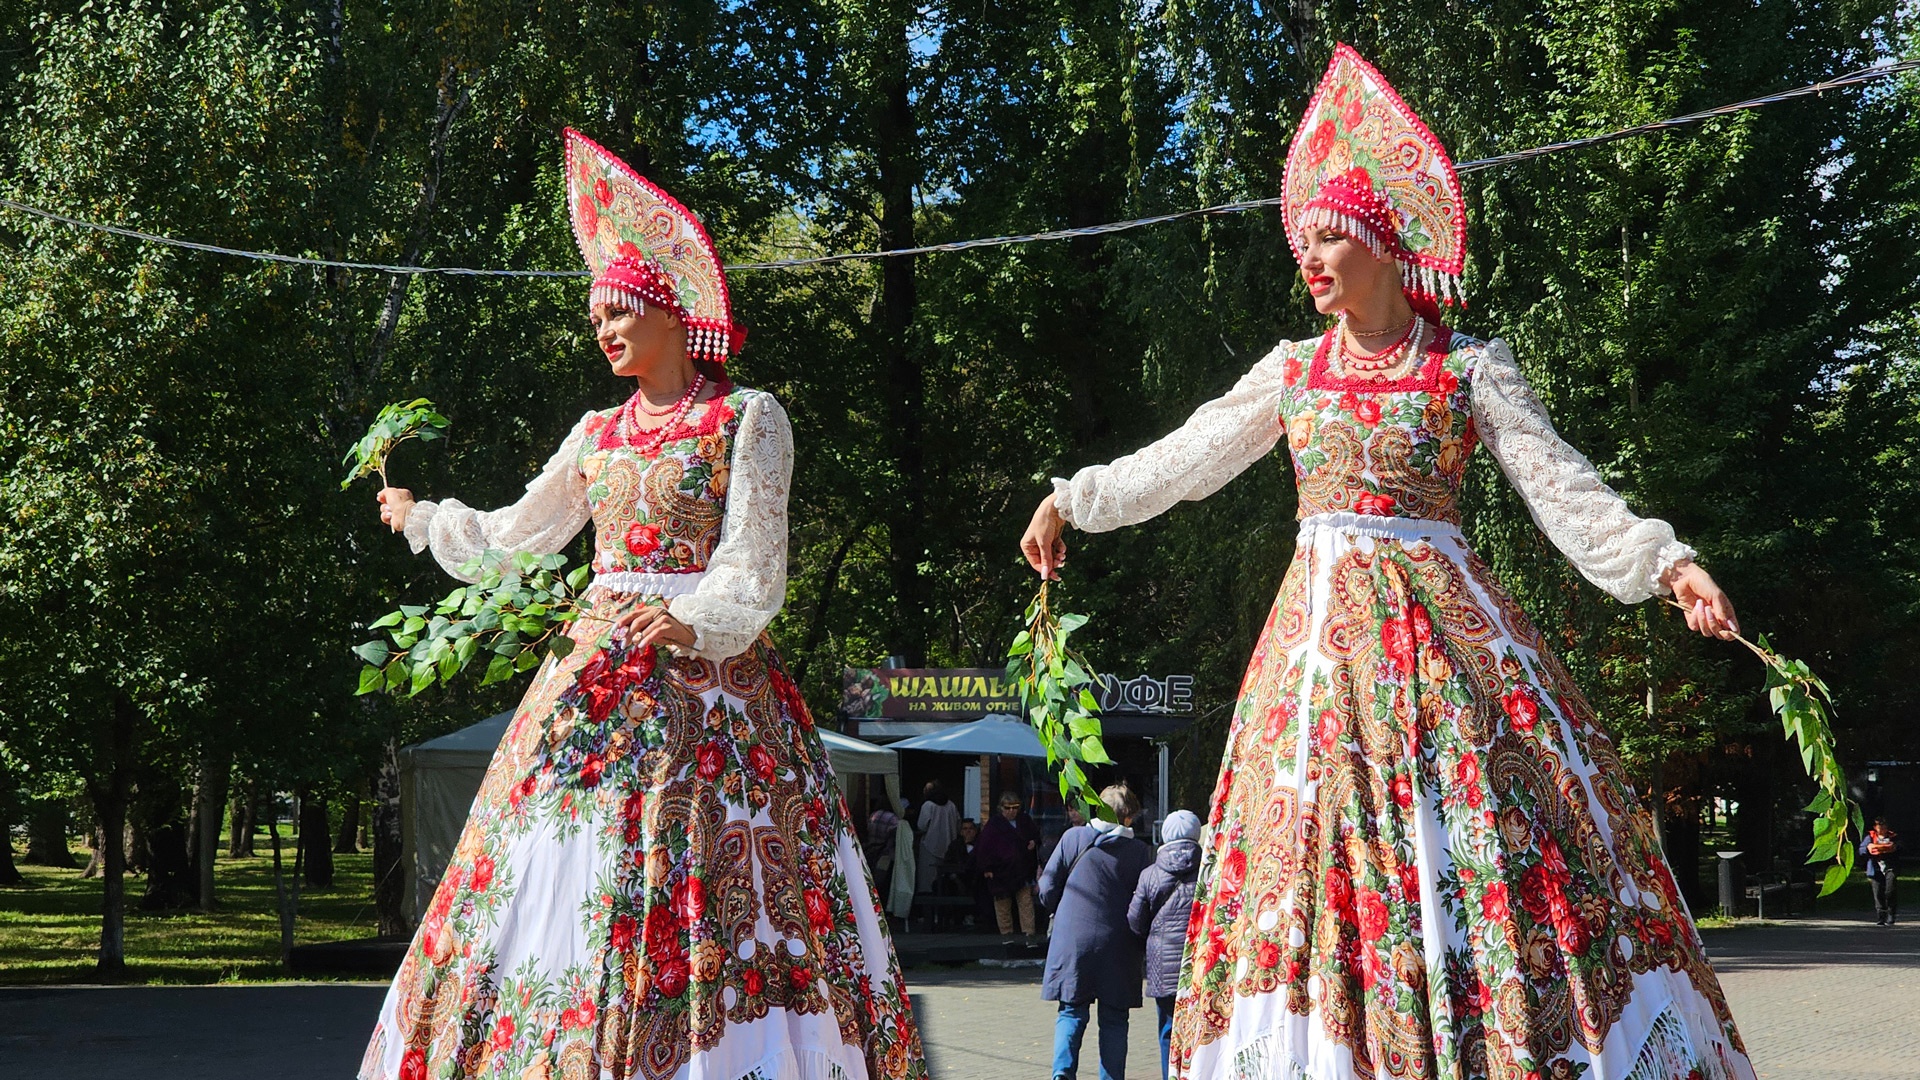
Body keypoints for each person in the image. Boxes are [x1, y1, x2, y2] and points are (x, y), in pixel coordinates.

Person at [1018, 45, 1753, 1080]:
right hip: (1319, 656)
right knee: (1306, 843)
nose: (1310, 260)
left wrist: (1666, 563)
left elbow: (1564, 489)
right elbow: (1184, 459)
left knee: (1481, 833)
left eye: (1330, 241)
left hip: (1448, 645)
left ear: (1383, 247)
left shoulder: (1464, 369)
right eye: (1306, 242)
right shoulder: (1293, 373)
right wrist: (1072, 500)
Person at [359, 129, 926, 1080]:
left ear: (671, 313)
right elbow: (515, 535)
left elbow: (755, 565)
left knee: (715, 864)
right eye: (597, 316)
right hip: (596, 676)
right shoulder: (596, 433)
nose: (604, 328)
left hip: (715, 685)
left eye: (620, 310)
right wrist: (424, 517)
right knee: (560, 858)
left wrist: (694, 619)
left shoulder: (749, 419)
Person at [1038, 784, 1153, 1080]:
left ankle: (1062, 1074)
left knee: (1071, 1011)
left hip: (1072, 939)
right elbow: (1145, 900)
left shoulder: (1073, 838)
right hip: (1119, 942)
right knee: (1114, 1019)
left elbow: (1047, 887)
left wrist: (1059, 908)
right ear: (1128, 817)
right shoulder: (1139, 851)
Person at [1128, 809, 1203, 1079]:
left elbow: (1135, 920)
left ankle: (1168, 1074)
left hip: (1164, 966)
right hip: (1201, 963)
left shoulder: (1150, 874)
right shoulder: (1211, 871)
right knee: (1201, 1027)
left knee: (1168, 1029)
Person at [977, 792, 1041, 935]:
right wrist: (987, 868)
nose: (1011, 811)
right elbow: (984, 847)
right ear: (1001, 808)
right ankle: (1007, 937)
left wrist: (1033, 841)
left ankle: (1029, 935)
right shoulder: (994, 825)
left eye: (1015, 807)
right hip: (1001, 872)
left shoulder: (1024, 820)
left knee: (1026, 904)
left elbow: (1036, 835)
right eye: (1007, 808)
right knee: (1003, 906)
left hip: (1022, 870)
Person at [915, 781, 960, 892]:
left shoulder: (928, 805)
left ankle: (928, 905)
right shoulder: (951, 805)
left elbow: (921, 826)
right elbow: (958, 824)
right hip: (949, 846)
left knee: (928, 879)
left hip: (930, 847)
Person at [1864, 819, 1900, 926]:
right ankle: (1881, 916)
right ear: (1875, 827)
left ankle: (1891, 913)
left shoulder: (1893, 837)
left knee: (1890, 890)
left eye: (1884, 826)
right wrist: (1868, 848)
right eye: (1879, 826)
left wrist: (1894, 848)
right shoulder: (1870, 837)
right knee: (1878, 892)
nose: (1882, 828)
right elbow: (1862, 849)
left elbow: (1901, 846)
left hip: (1890, 867)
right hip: (1876, 869)